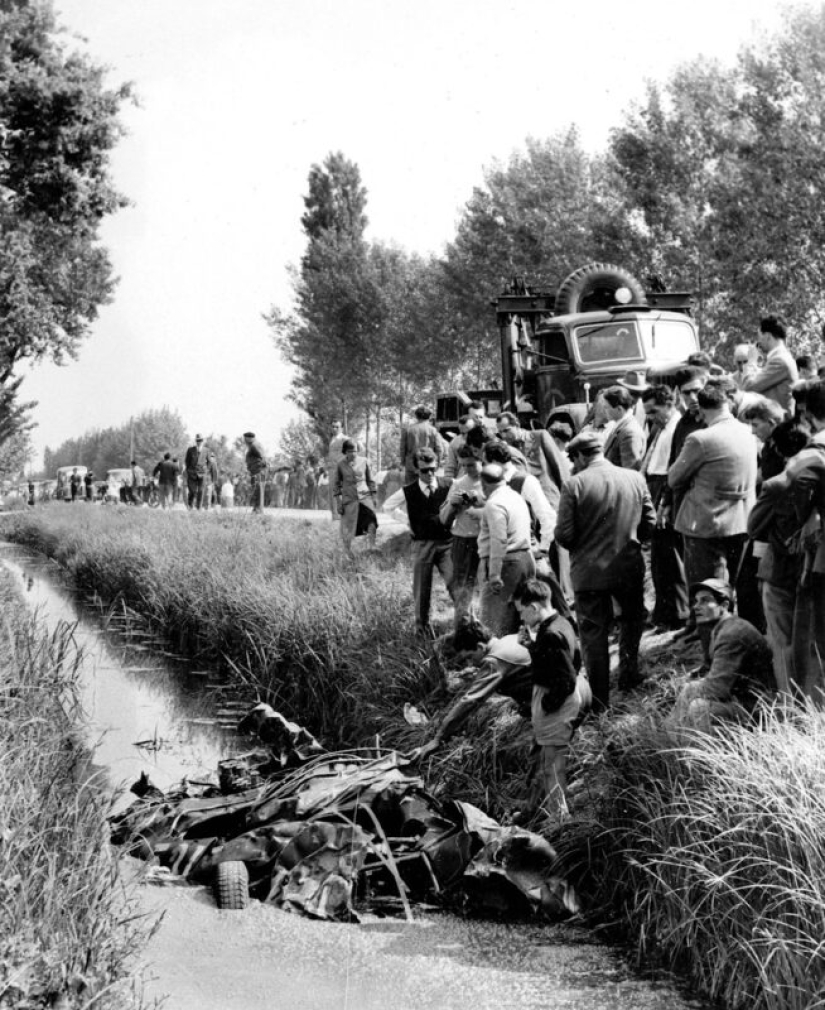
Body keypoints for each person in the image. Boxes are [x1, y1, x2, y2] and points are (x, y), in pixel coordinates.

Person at [555, 430, 655, 711]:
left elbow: (564, 535)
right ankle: (629, 673)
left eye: (573, 459)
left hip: (589, 574)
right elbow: (650, 522)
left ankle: (600, 702)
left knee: (594, 635)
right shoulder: (634, 478)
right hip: (628, 567)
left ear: (580, 456)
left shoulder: (573, 484)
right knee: (632, 620)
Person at [668, 382, 757, 599]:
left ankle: (707, 631)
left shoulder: (701, 438)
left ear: (702, 408)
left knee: (706, 590)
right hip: (741, 520)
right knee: (730, 589)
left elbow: (674, 478)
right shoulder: (748, 432)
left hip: (705, 521)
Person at [748, 420, 811, 695]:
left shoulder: (777, 485)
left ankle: (790, 708)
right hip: (809, 569)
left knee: (782, 642)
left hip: (780, 569)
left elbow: (754, 527)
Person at [515, 578, 584, 825]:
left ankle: (560, 820)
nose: (522, 618)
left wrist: (547, 704)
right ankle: (553, 813)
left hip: (557, 702)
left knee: (552, 767)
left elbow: (566, 679)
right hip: (557, 699)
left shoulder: (552, 634)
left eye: (522, 612)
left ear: (533, 607)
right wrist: (532, 647)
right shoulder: (560, 623)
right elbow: (568, 661)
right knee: (549, 764)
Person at [667, 579, 775, 733]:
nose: (696, 607)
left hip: (761, 710)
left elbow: (716, 690)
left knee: (699, 708)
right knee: (690, 689)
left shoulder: (731, 634)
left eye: (705, 601)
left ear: (724, 606)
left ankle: (703, 753)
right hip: (743, 700)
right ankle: (672, 738)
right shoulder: (724, 627)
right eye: (696, 601)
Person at [383, 447, 455, 636]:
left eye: (433, 468)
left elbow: (465, 499)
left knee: (455, 583)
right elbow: (387, 506)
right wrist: (408, 521)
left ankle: (465, 626)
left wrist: (456, 521)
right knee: (422, 589)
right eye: (424, 470)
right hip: (422, 545)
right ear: (416, 470)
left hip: (447, 543)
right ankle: (422, 631)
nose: (429, 473)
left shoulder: (449, 484)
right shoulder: (409, 491)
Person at [641, 384, 689, 632]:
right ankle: (665, 611)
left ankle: (678, 612)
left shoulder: (677, 429)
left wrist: (664, 502)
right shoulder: (659, 428)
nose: (650, 416)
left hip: (665, 490)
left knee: (670, 555)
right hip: (655, 485)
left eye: (654, 410)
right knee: (660, 558)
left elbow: (674, 469)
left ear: (669, 404)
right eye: (647, 412)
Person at [477, 463, 535, 637]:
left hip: (506, 563)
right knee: (519, 619)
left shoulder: (494, 503)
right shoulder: (516, 496)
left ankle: (497, 661)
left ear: (484, 484)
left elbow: (499, 540)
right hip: (525, 558)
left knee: (493, 622)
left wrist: (494, 574)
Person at [439, 447, 483, 627]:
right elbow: (443, 519)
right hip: (462, 541)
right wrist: (452, 505)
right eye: (463, 465)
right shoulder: (459, 483)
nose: (467, 469)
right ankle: (464, 630)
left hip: (484, 541)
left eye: (471, 465)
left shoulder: (491, 482)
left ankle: (484, 629)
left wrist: (479, 500)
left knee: (485, 588)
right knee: (463, 590)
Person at [743, 315, 799, 415]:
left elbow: (749, 387)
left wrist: (751, 361)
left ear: (768, 336)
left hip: (779, 425)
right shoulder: (779, 358)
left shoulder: (780, 360)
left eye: (759, 337)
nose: (758, 342)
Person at [334, 439, 377, 555]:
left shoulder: (364, 461)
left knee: (371, 522)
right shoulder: (340, 465)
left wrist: (374, 497)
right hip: (349, 500)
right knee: (347, 528)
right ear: (345, 452)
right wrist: (338, 503)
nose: (353, 453)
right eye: (350, 451)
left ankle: (372, 548)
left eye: (355, 451)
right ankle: (347, 552)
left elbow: (371, 481)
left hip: (364, 498)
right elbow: (336, 485)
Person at [601, 385, 647, 470]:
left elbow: (630, 473)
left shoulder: (629, 433)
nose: (603, 410)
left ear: (619, 409)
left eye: (606, 407)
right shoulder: (620, 426)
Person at [400, 405, 443, 485]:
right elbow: (439, 449)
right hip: (428, 465)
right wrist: (437, 464)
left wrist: (403, 463)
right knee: (427, 489)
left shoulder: (408, 430)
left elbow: (402, 448)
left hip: (411, 466)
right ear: (429, 417)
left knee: (411, 490)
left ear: (416, 416)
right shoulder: (433, 430)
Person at [325, 420, 350, 518]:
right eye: (333, 426)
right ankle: (334, 514)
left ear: (342, 428)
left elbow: (358, 448)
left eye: (337, 427)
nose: (334, 429)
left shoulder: (344, 438)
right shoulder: (332, 439)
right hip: (332, 469)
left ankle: (340, 514)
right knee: (332, 491)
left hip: (340, 468)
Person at [443, 415, 476, 479]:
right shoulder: (455, 443)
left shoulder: (483, 442)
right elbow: (450, 466)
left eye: (469, 432)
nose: (466, 436)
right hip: (461, 482)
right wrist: (449, 482)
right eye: (463, 433)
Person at [243, 432, 267, 513]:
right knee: (257, 490)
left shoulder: (254, 445)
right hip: (256, 471)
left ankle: (258, 509)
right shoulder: (253, 445)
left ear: (248, 438)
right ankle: (257, 508)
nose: (244, 441)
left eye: (245, 439)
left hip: (258, 471)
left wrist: (259, 468)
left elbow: (262, 457)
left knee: (258, 490)